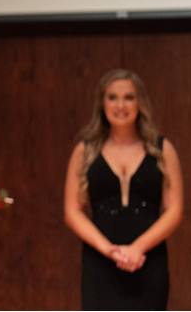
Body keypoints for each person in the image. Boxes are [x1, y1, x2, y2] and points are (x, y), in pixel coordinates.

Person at [64, 69, 183, 310]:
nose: (121, 105)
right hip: (100, 262)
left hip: (148, 260)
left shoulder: (162, 149)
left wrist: (138, 248)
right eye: (113, 97)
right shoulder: (84, 151)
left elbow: (175, 210)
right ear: (102, 103)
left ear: (140, 102)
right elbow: (72, 211)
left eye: (128, 97)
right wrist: (110, 251)